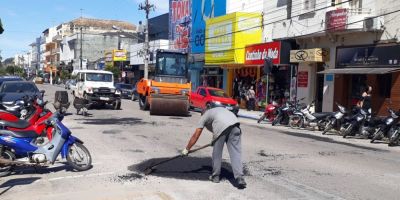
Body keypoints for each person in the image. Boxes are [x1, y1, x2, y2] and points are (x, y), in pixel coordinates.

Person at [181, 107, 247, 189]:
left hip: (222, 127)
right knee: (235, 154)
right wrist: (214, 139)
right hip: (235, 125)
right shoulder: (217, 110)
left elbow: (196, 134)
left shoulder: (204, 116)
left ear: (202, 114)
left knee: (217, 153)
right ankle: (239, 178)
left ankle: (215, 176)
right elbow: (219, 123)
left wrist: (187, 149)